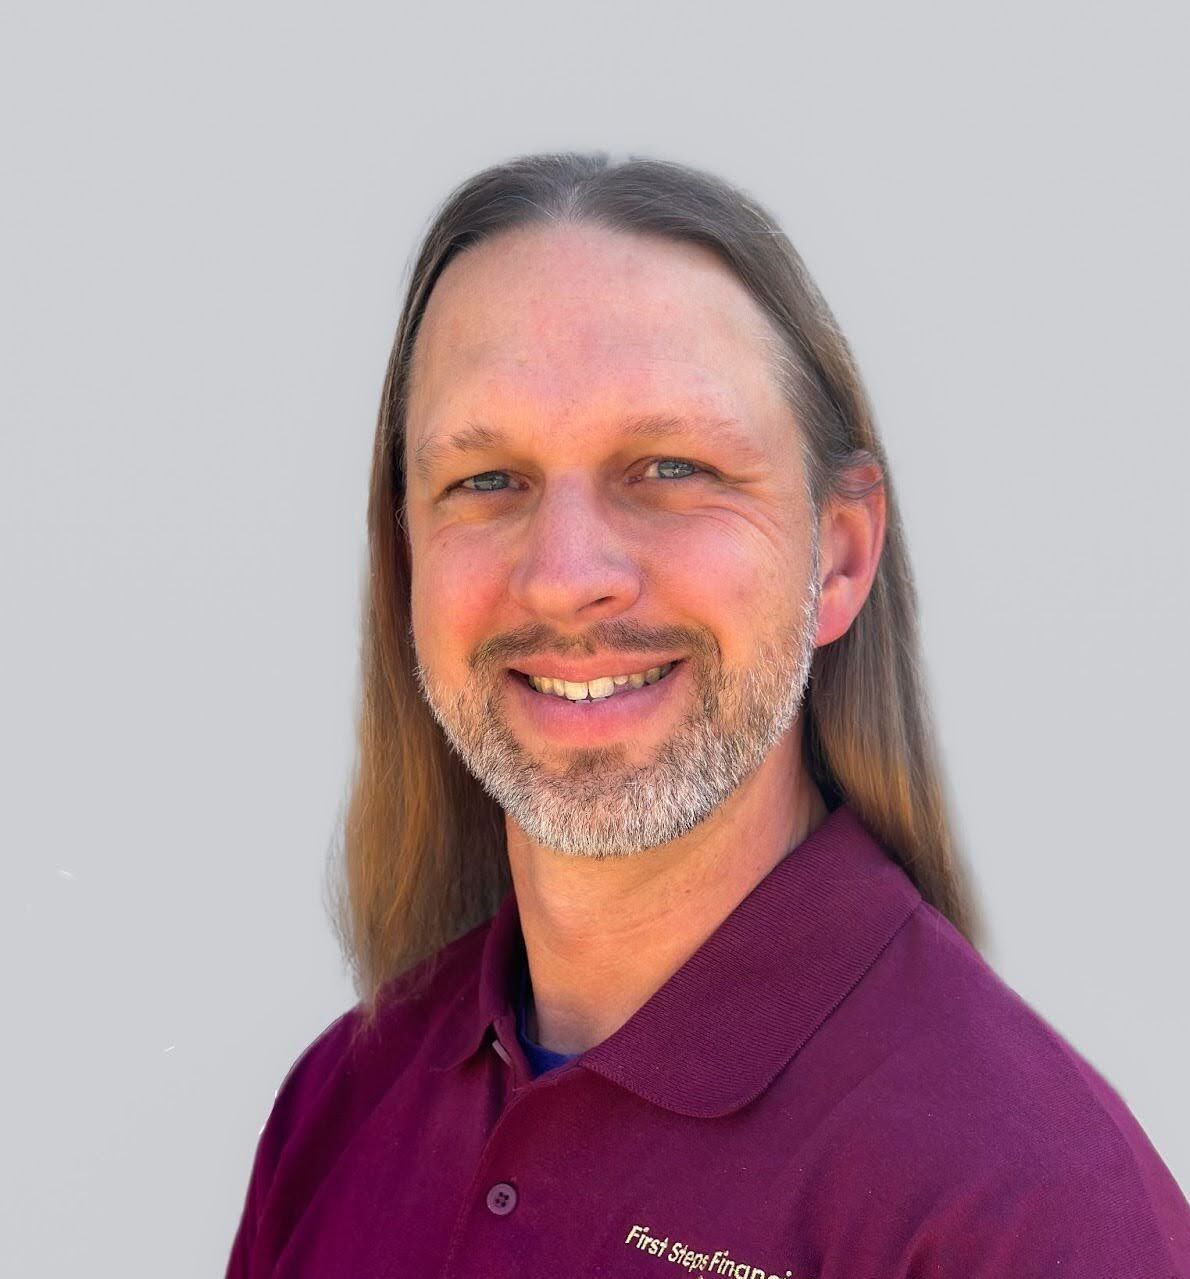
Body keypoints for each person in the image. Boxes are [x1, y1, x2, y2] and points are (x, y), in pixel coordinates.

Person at [225, 153, 1189, 1279]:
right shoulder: (340, 1101)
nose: (564, 576)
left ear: (838, 558)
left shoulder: (1029, 1212)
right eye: (486, 481)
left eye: (669, 467)